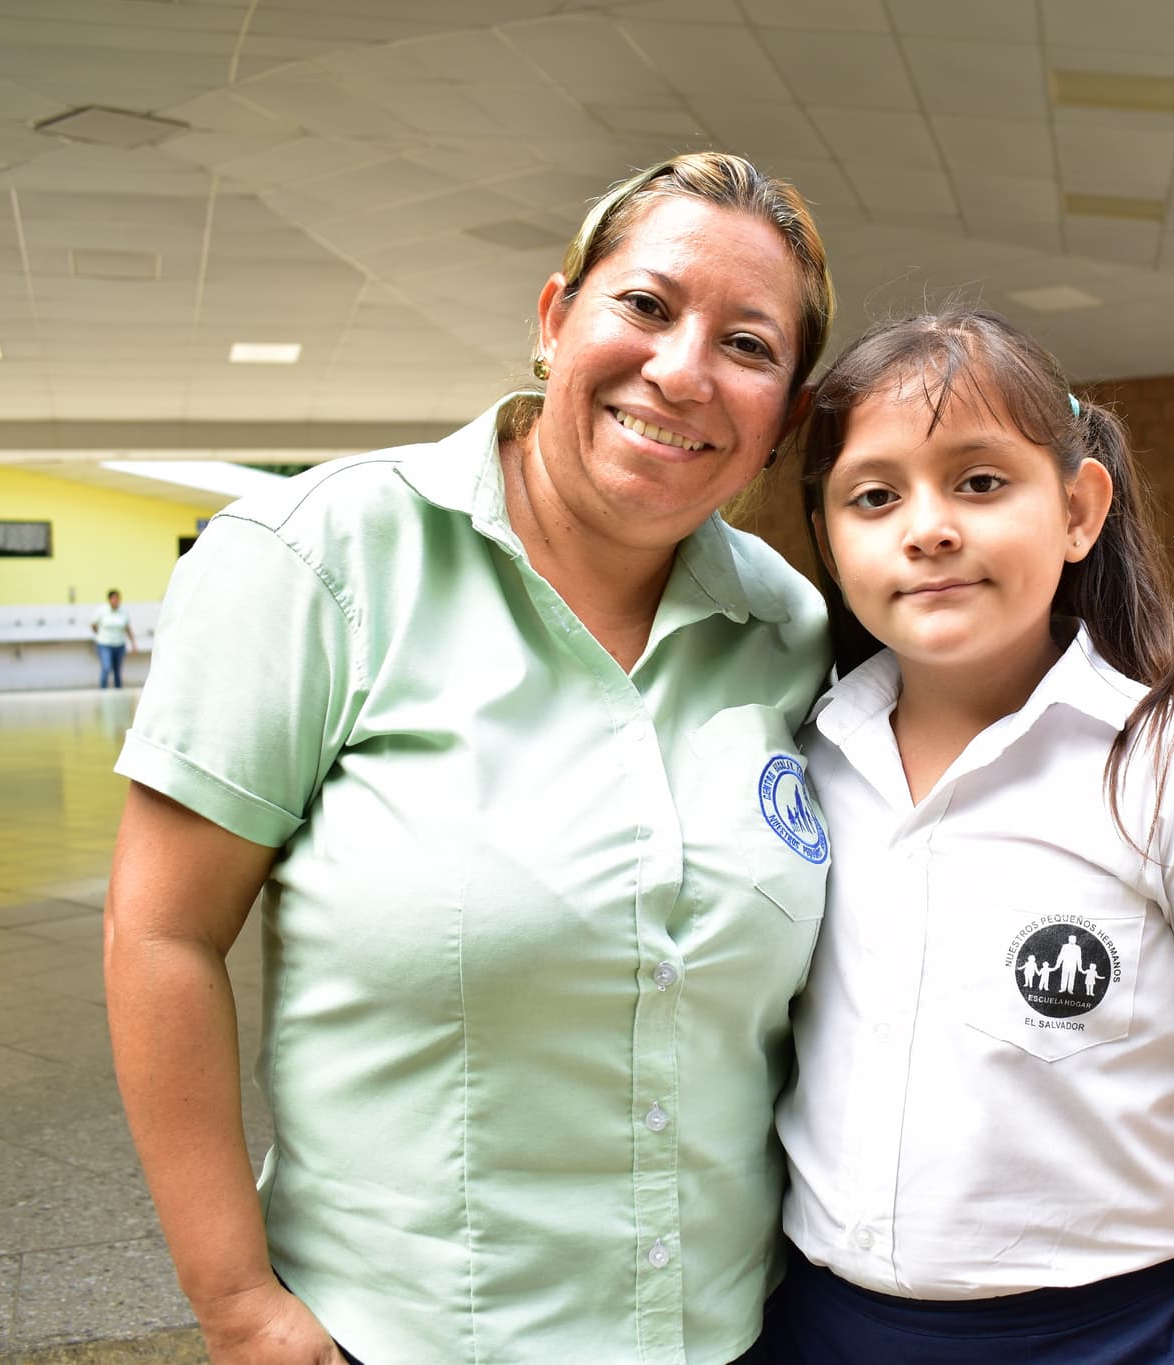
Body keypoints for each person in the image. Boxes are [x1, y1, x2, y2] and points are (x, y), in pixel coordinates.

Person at [103, 153, 836, 1365]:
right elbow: (160, 934)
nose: (681, 369)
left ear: (784, 421)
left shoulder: (787, 631)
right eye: (644, 306)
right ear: (554, 322)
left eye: (749, 346)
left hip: (723, 1333)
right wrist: (238, 1307)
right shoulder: (318, 559)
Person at [764, 307, 1174, 1363]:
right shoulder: (802, 761)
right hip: (821, 1329)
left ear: (1079, 510)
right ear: (826, 536)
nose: (926, 527)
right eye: (873, 496)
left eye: (979, 482)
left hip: (1102, 1337)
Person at [91, 588, 136, 688]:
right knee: (106, 667)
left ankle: (118, 690)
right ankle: (103, 689)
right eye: (113, 599)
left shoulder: (123, 611)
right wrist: (98, 634)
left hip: (119, 644)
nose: (116, 601)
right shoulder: (102, 610)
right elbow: (93, 625)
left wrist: (133, 643)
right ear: (109, 599)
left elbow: (127, 628)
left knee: (117, 670)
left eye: (117, 599)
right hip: (104, 644)